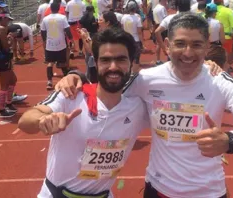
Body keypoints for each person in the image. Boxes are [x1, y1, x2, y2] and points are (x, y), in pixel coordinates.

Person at [55, 13, 233, 197]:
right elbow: (107, 90)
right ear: (167, 46)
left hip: (209, 191)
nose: (188, 53)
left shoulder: (220, 81)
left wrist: (230, 141)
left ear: (207, 47)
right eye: (180, 44)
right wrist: (76, 76)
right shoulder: (147, 79)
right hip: (159, 189)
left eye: (197, 45)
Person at [18, 27, 149, 198]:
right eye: (105, 60)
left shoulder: (138, 106)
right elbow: (26, 120)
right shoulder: (71, 95)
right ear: (96, 61)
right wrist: (42, 121)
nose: (113, 67)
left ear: (131, 62)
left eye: (121, 60)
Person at [41, 2, 74, 90]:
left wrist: (44, 41)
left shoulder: (45, 19)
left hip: (50, 44)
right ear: (59, 8)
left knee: (50, 63)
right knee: (62, 62)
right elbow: (67, 30)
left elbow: (43, 32)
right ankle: (66, 80)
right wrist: (71, 39)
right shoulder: (62, 17)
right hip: (61, 43)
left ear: (50, 8)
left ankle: (49, 82)